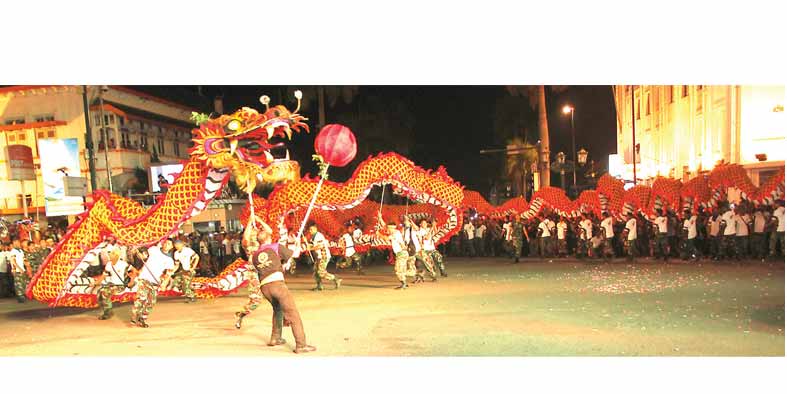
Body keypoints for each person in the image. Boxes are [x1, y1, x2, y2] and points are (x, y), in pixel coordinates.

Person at [248, 222, 316, 353]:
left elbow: (266, 266)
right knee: (292, 313)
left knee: (278, 309)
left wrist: (282, 264)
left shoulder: (255, 255)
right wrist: (297, 246)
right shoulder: (275, 246)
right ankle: (301, 345)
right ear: (268, 237)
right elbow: (294, 254)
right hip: (277, 285)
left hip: (265, 287)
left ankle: (275, 337)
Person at [130, 239, 175, 328]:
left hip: (155, 282)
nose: (166, 244)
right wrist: (139, 254)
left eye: (169, 244)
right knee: (141, 297)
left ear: (172, 247)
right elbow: (144, 256)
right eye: (165, 242)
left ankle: (142, 318)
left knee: (151, 301)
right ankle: (134, 316)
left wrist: (164, 284)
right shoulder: (153, 249)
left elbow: (168, 274)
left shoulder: (169, 260)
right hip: (144, 278)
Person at [95, 248, 133, 320]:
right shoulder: (109, 264)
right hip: (111, 284)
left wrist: (131, 282)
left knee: (104, 292)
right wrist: (96, 283)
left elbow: (132, 272)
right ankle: (105, 309)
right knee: (99, 292)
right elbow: (104, 275)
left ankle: (108, 312)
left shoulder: (123, 264)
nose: (109, 255)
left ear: (116, 256)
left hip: (120, 285)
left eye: (111, 253)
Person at [377, 212, 411, 289]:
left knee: (398, 269)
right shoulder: (395, 231)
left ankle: (404, 283)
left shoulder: (396, 233)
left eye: (389, 229)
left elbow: (386, 238)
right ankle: (405, 282)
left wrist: (379, 235)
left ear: (392, 228)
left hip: (402, 253)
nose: (387, 230)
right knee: (401, 269)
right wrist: (380, 218)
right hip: (402, 253)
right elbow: (385, 226)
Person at [305, 224, 341, 291]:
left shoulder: (319, 236)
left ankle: (335, 278)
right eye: (309, 230)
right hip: (319, 256)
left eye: (311, 229)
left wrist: (310, 248)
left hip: (323, 256)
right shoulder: (313, 236)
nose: (310, 231)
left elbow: (320, 246)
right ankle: (319, 286)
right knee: (315, 271)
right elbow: (312, 245)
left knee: (321, 272)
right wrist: (306, 243)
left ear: (315, 229)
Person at [404, 216, 437, 283]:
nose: (405, 222)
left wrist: (410, 221)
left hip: (419, 250)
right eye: (405, 221)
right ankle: (418, 277)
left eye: (407, 221)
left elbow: (417, 229)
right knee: (412, 266)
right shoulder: (405, 230)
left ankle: (433, 274)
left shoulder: (417, 229)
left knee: (427, 263)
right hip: (411, 251)